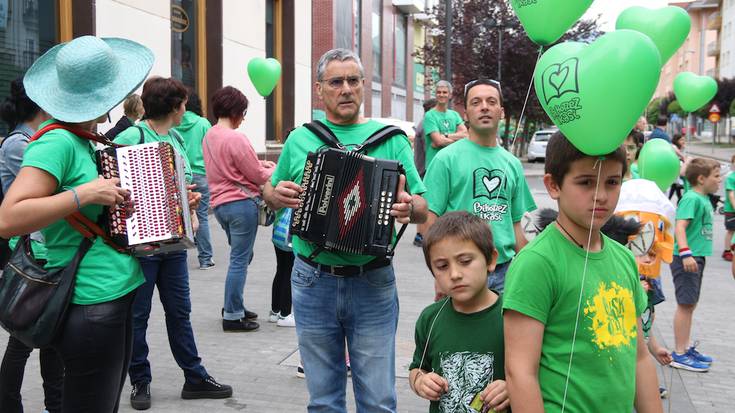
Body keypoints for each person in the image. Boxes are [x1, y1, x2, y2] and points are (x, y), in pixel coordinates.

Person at [264, 48, 427, 413]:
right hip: (312, 279)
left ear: (364, 86)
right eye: (336, 82)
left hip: (372, 280)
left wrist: (408, 207)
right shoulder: (301, 139)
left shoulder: (391, 139)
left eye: (353, 80)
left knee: (379, 401)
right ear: (320, 89)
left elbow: (422, 207)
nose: (346, 88)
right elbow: (270, 194)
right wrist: (275, 193)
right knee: (323, 400)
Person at [0, 35, 152, 413]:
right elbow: (9, 218)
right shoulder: (57, 143)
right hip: (89, 300)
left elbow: (85, 216)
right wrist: (86, 194)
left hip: (111, 293)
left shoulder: (82, 140)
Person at [503, 132, 662, 412]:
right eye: (586, 182)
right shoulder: (537, 262)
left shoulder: (624, 258)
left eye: (612, 182)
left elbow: (640, 357)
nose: (600, 195)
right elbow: (520, 372)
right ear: (553, 185)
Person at [114, 77, 232, 410]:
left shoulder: (177, 136)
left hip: (174, 243)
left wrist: (188, 200)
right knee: (138, 315)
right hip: (143, 244)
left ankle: (194, 377)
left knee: (180, 312)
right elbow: (110, 175)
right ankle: (140, 380)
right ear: (173, 106)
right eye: (182, 104)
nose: (185, 110)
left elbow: (179, 184)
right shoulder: (131, 135)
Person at [423, 79, 536, 293]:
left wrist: (534, 269)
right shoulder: (446, 159)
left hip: (506, 274)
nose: (484, 107)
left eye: (491, 101)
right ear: (465, 114)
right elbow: (430, 223)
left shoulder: (512, 164)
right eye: (476, 102)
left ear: (501, 112)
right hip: (460, 274)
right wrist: (440, 274)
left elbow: (516, 228)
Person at [0, 78, 62, 413]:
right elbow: (51, 189)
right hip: (29, 253)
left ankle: (56, 403)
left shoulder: (33, 139)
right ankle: (9, 404)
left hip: (44, 249)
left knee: (50, 334)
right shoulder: (20, 144)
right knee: (23, 337)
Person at [409, 211, 509, 413]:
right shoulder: (430, 318)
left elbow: (535, 373)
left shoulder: (511, 316)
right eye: (442, 266)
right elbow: (417, 367)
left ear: (491, 260)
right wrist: (421, 382)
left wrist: (511, 387)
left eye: (465, 261)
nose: (454, 274)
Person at [202, 85, 275, 332]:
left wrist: (258, 164)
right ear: (235, 111)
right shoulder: (236, 137)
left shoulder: (210, 134)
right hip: (241, 204)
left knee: (240, 258)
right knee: (239, 260)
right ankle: (232, 315)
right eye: (243, 113)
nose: (243, 118)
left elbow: (230, 167)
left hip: (221, 205)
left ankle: (235, 304)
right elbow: (254, 174)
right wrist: (272, 169)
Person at [669, 158, 720, 372]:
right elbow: (680, 227)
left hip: (697, 257)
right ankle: (679, 353)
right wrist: (686, 253)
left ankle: (686, 347)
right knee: (685, 304)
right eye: (716, 176)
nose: (719, 180)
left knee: (690, 304)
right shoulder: (692, 198)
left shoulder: (702, 197)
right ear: (701, 179)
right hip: (687, 258)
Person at [414, 80, 467, 247]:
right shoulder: (430, 115)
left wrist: (445, 137)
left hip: (455, 167)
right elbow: (436, 141)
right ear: (435, 94)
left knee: (451, 206)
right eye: (439, 92)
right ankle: (427, 238)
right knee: (431, 207)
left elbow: (466, 134)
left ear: (450, 95)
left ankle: (447, 237)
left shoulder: (454, 115)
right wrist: (454, 137)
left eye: (445, 92)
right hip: (434, 167)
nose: (442, 95)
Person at [173, 90, 215, 270]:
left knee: (180, 215)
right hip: (202, 174)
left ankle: (175, 251)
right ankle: (205, 258)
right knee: (202, 216)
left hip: (182, 174)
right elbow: (211, 149)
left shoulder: (174, 124)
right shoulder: (203, 123)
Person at [413, 97, 438, 179]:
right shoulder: (426, 124)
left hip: (424, 173)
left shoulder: (425, 122)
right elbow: (431, 149)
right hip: (425, 174)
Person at [721, 154, 735, 261]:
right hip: (731, 209)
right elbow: (731, 194)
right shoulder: (731, 178)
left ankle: (732, 246)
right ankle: (727, 251)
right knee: (731, 230)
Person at [668, 134, 687, 202]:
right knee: (676, 184)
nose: (683, 141)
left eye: (684, 140)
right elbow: (681, 156)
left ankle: (677, 199)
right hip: (674, 167)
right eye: (681, 140)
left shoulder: (681, 147)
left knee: (675, 184)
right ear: (676, 140)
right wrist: (683, 157)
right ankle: (679, 199)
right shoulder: (673, 146)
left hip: (678, 167)